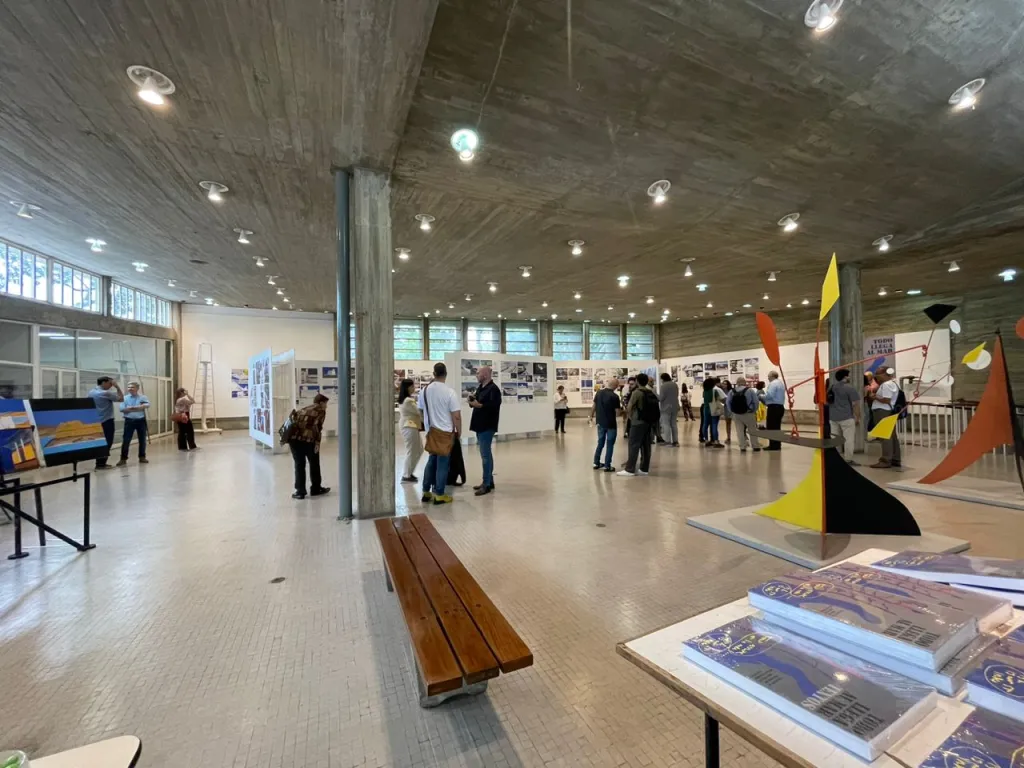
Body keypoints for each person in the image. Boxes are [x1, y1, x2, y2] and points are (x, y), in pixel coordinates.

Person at [419, 362, 462, 505]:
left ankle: (426, 491)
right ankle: (440, 494)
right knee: (443, 464)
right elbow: (456, 416)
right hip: (445, 433)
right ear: (446, 374)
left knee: (431, 461)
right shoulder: (450, 392)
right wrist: (459, 431)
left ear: (434, 374)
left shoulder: (424, 391)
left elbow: (421, 411)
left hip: (431, 431)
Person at [287, 393, 331, 499]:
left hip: (294, 441)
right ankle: (316, 488)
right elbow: (318, 428)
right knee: (314, 464)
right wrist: (317, 443)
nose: (326, 406)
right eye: (325, 403)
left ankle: (300, 492)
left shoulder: (304, 409)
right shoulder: (321, 411)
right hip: (309, 441)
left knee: (299, 465)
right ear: (321, 403)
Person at [467, 365, 501, 496]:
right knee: (486, 454)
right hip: (479, 424)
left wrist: (479, 405)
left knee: (485, 455)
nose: (476, 375)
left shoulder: (494, 389)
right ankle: (489, 481)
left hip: (487, 426)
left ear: (485, 375)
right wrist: (472, 401)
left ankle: (486, 484)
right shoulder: (481, 387)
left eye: (478, 373)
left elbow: (494, 406)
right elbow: (477, 402)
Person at [619, 373, 658, 476]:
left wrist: (630, 417)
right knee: (646, 446)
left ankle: (629, 469)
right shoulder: (650, 391)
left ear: (637, 381)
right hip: (648, 422)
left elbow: (629, 407)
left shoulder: (637, 392)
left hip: (637, 422)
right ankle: (644, 469)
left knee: (633, 445)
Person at [868, 368, 902, 469]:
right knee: (892, 436)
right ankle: (895, 458)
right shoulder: (893, 383)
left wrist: (875, 397)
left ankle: (886, 460)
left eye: (877, 375)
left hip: (883, 411)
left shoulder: (886, 385)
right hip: (888, 411)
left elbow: (887, 400)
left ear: (884, 374)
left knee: (885, 436)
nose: (876, 377)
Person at [88, 376, 123, 470]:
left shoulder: (91, 392)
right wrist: (117, 387)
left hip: (95, 421)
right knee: (108, 442)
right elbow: (121, 399)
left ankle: (99, 463)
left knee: (99, 442)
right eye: (110, 383)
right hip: (107, 421)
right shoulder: (105, 393)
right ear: (104, 382)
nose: (111, 385)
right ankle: (101, 464)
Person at [828, 369, 862, 464]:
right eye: (848, 375)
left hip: (833, 417)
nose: (849, 377)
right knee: (848, 439)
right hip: (846, 418)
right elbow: (855, 404)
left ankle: (835, 458)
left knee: (834, 439)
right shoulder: (849, 388)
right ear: (845, 377)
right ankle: (848, 459)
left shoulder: (832, 387)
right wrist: (857, 417)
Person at [590, 377, 621, 471]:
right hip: (611, 424)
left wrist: (590, 416)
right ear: (615, 386)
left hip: (600, 422)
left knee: (600, 443)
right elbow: (618, 413)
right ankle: (607, 465)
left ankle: (596, 463)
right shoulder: (615, 397)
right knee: (610, 444)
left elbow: (594, 406)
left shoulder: (599, 393)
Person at [116, 382, 150, 466]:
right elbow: (122, 409)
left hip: (141, 421)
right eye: (129, 387)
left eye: (132, 387)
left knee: (142, 440)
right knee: (126, 440)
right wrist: (139, 408)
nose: (130, 389)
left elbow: (147, 405)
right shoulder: (125, 398)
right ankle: (123, 459)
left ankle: (142, 457)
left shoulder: (143, 397)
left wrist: (132, 408)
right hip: (129, 421)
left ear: (137, 388)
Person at [398, 378, 423, 483]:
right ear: (407, 388)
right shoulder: (408, 401)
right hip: (409, 426)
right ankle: (406, 475)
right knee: (412, 451)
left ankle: (409, 472)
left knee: (419, 450)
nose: (414, 388)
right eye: (412, 386)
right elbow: (418, 412)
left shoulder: (406, 399)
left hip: (411, 425)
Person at [730, 377, 761, 452]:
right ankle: (755, 446)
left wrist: (732, 411)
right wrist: (754, 410)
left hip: (737, 414)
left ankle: (742, 447)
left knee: (739, 431)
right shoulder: (750, 390)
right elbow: (756, 401)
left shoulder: (732, 391)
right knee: (752, 430)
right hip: (749, 413)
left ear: (737, 383)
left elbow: (728, 402)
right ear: (745, 382)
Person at [763, 371, 786, 451]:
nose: (768, 378)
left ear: (772, 376)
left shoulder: (773, 384)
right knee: (777, 427)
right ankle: (777, 445)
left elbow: (769, 395)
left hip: (773, 408)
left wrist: (761, 396)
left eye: (768, 376)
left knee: (771, 427)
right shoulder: (780, 383)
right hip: (780, 407)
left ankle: (773, 446)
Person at [657, 373, 680, 447]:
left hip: (666, 407)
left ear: (662, 379)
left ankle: (667, 441)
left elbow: (661, 398)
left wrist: (654, 393)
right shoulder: (674, 384)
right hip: (675, 406)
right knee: (673, 424)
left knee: (666, 424)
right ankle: (676, 441)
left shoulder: (663, 386)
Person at [174, 387, 198, 451]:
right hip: (183, 416)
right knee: (189, 431)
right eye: (184, 391)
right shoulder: (182, 399)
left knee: (182, 431)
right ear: (182, 392)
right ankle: (192, 446)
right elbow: (193, 401)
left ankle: (182, 447)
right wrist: (187, 394)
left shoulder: (178, 399)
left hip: (180, 416)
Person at [719, 379, 734, 444]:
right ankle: (728, 437)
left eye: (725, 384)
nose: (724, 385)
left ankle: (743, 437)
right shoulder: (721, 391)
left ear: (728, 385)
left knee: (738, 424)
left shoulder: (731, 391)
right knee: (728, 423)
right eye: (723, 383)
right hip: (726, 408)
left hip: (732, 408)